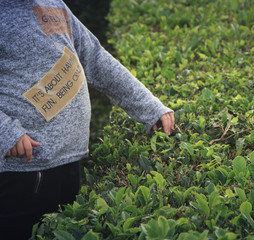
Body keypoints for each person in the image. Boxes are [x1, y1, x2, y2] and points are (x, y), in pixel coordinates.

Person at [0, 0, 175, 239]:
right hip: (23, 172)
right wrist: (6, 132)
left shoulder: (52, 3)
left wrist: (150, 107)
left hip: (70, 161)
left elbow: (95, 58)